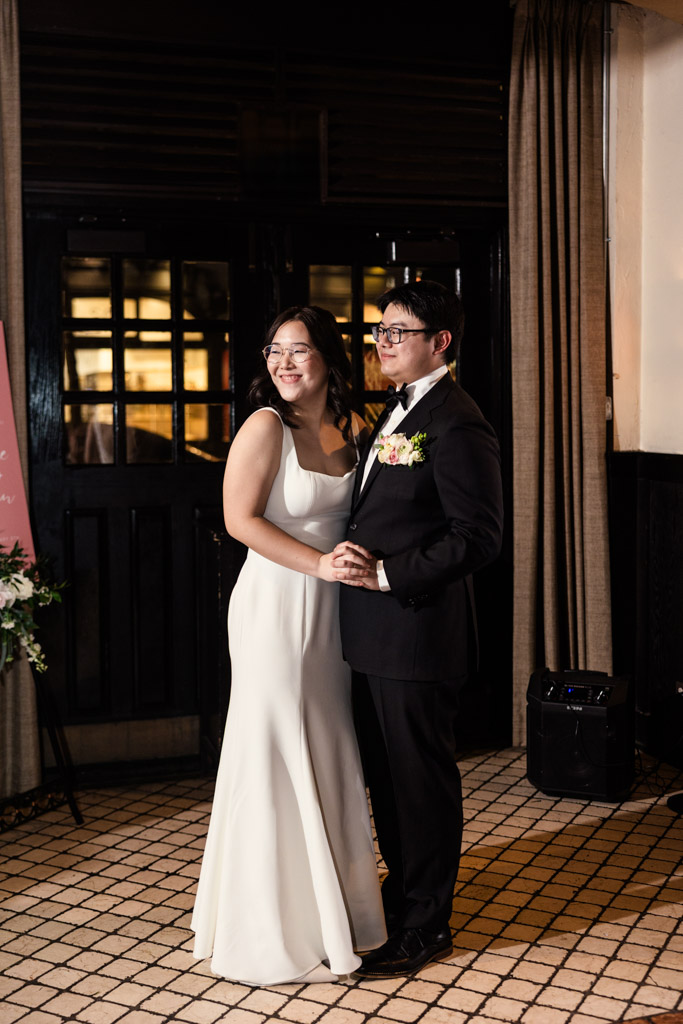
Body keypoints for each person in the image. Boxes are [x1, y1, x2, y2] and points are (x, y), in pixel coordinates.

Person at [191, 306, 386, 986]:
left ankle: (337, 913)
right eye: (274, 351)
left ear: (330, 358)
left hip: (335, 612)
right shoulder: (264, 425)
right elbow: (237, 520)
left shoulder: (356, 428)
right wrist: (319, 565)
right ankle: (268, 924)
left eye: (298, 351)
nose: (283, 364)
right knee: (275, 747)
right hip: (275, 606)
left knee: (327, 746)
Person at [334, 280, 504, 979]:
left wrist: (385, 575)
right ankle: (404, 894)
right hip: (375, 636)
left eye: (397, 331)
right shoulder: (400, 411)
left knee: (419, 782)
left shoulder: (457, 421)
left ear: (439, 342)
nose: (382, 342)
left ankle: (425, 925)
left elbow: (478, 536)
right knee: (387, 778)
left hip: (416, 631)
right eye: (378, 329)